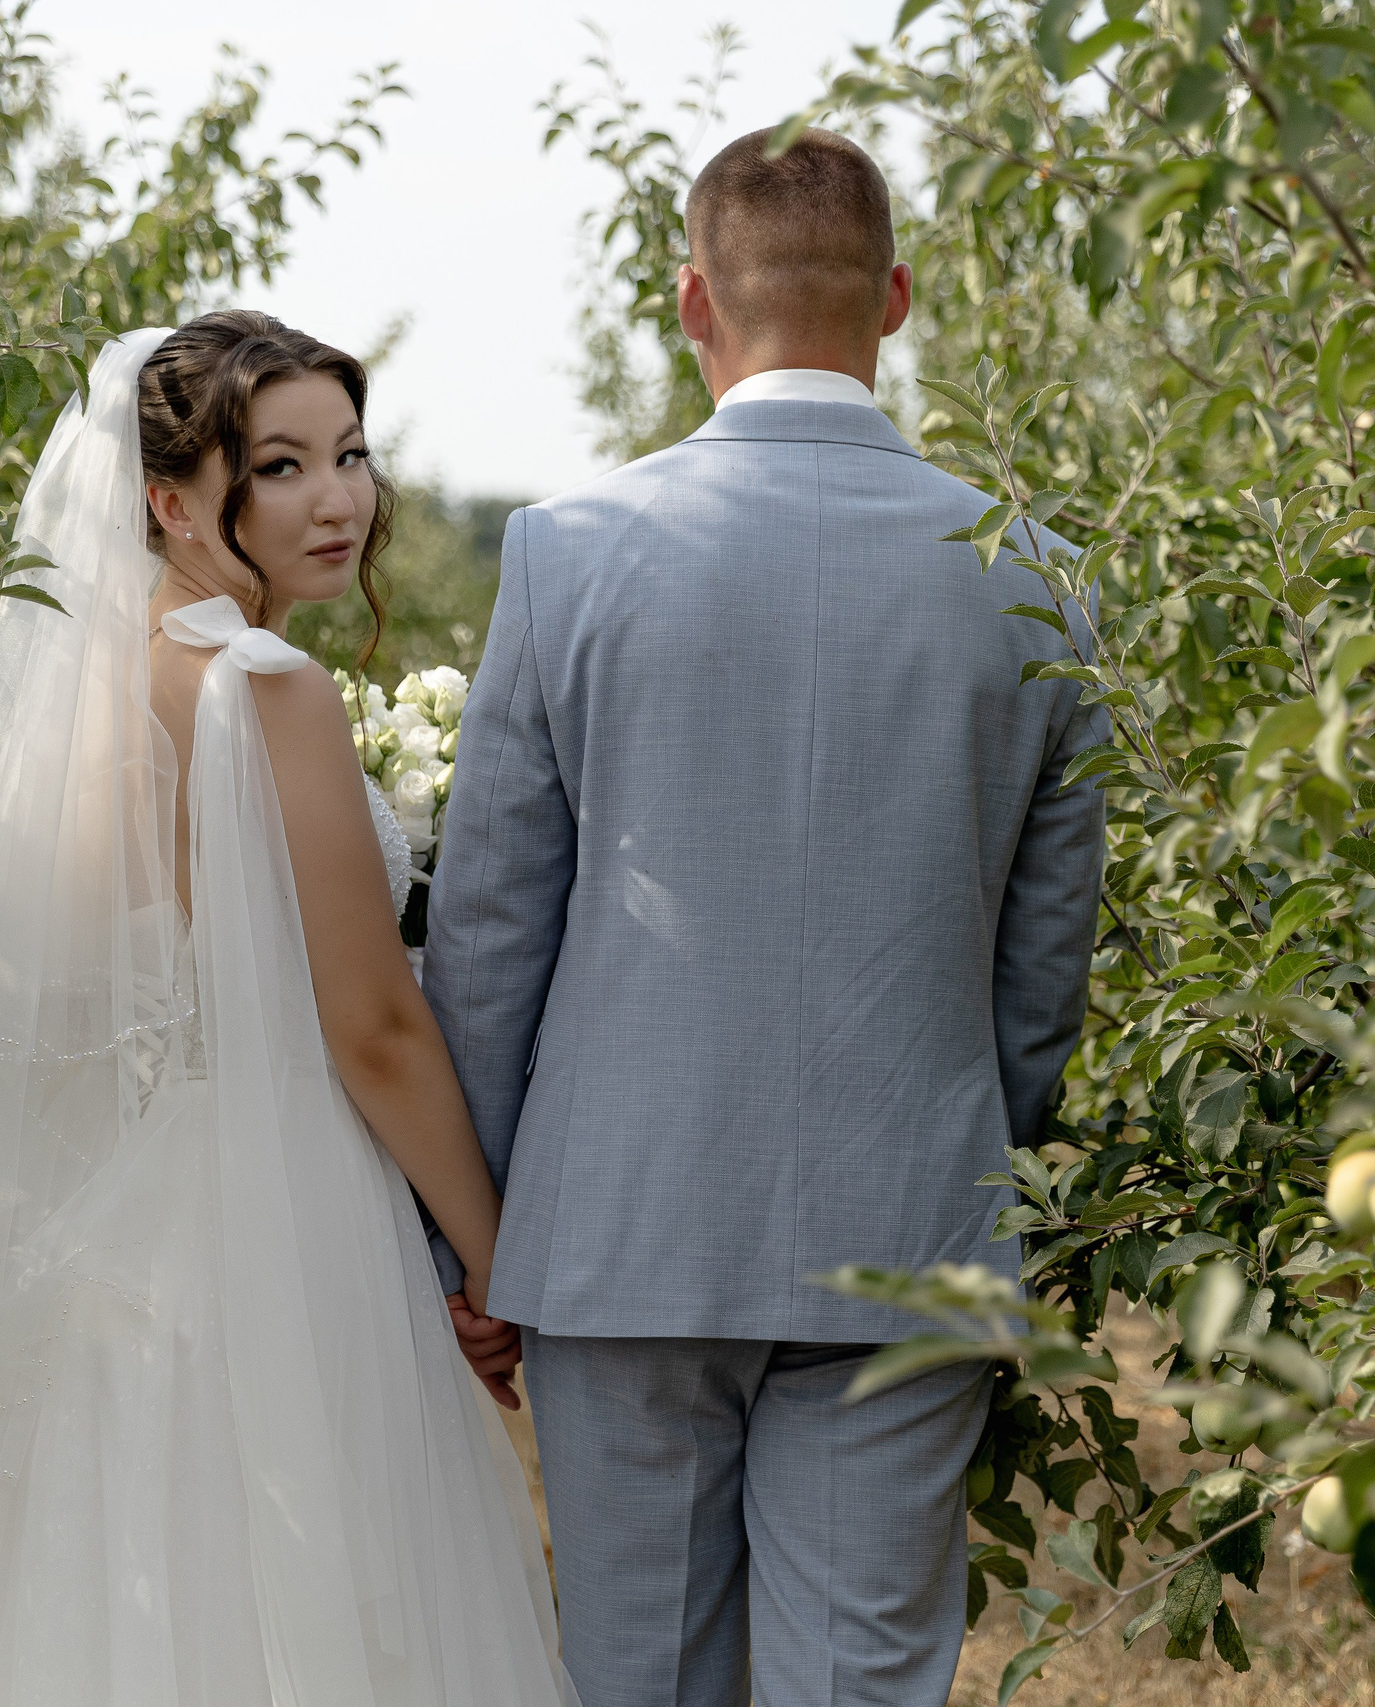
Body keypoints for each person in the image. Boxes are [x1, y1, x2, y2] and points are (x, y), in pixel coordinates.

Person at [0, 315, 576, 1707]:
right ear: (169, 498)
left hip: (113, 1221)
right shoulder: (267, 690)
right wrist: (494, 1255)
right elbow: (374, 1032)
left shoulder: (84, 689)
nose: (340, 499)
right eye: (279, 466)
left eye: (351, 452)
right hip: (283, 1212)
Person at [425, 128, 1108, 1707]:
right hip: (910, 1227)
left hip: (620, 1230)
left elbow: (489, 931)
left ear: (688, 302)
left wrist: (480, 1231)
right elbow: (1041, 975)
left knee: (640, 1678)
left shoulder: (565, 554)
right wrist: (957, 1143)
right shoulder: (1043, 583)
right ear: (899, 299)